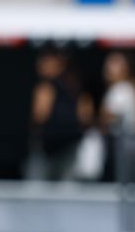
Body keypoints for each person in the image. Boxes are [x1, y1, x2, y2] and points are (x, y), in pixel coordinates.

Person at [26, 48, 93, 181]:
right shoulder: (75, 88)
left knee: (40, 188)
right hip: (63, 146)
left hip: (53, 148)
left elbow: (39, 116)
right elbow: (85, 117)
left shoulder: (47, 87)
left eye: (46, 59)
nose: (40, 63)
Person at [100, 51, 135, 183]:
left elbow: (108, 117)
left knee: (124, 182)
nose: (107, 67)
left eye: (114, 64)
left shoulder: (121, 89)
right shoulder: (132, 87)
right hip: (134, 142)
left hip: (124, 143)